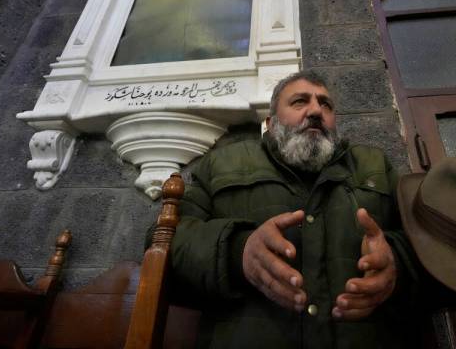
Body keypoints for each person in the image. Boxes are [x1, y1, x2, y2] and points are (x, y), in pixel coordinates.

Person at [168, 70, 424, 348]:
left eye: (325, 104)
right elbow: (168, 243)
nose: (316, 110)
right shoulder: (220, 165)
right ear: (271, 123)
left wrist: (397, 263)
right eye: (300, 102)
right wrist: (237, 252)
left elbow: (431, 246)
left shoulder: (374, 165)